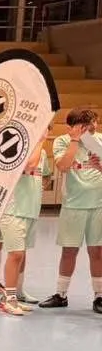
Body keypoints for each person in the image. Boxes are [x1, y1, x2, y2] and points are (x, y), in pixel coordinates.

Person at [39, 107, 102, 312]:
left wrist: (100, 166)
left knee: (97, 252)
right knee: (69, 251)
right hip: (73, 205)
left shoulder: (99, 140)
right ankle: (61, 294)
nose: (93, 127)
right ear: (76, 126)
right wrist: (75, 140)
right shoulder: (62, 141)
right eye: (87, 125)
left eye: (93, 123)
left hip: (98, 204)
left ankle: (99, 296)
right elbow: (63, 166)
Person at [0, 143, 50, 314]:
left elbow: (45, 175)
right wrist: (40, 140)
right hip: (13, 209)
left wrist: (39, 188)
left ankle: (17, 294)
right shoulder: (19, 148)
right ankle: (9, 299)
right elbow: (30, 165)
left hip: (31, 210)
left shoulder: (42, 153)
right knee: (16, 253)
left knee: (22, 253)